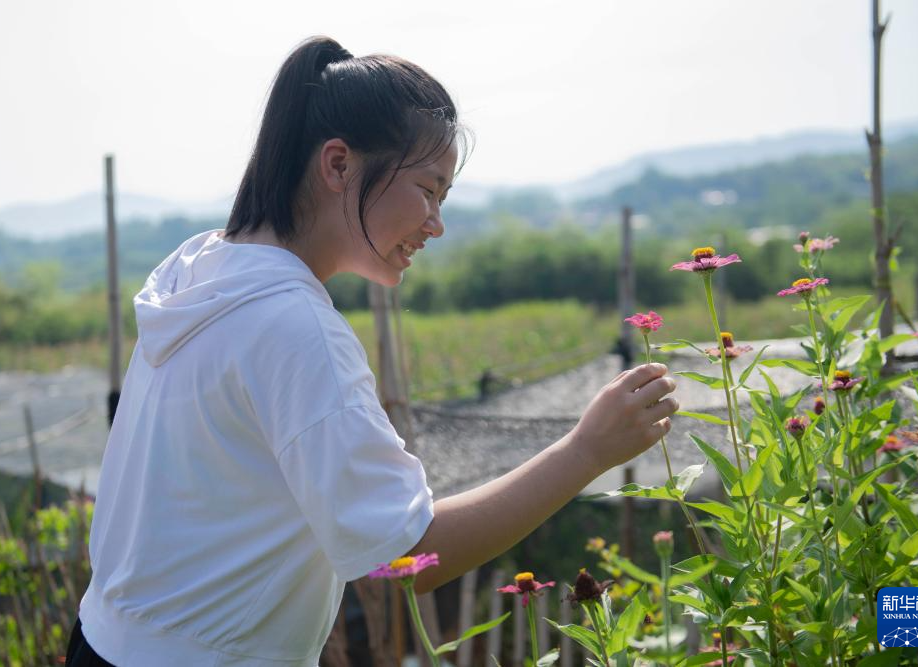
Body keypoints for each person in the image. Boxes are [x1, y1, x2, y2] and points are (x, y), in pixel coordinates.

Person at [69, 35, 678, 666]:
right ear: (338, 166)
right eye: (428, 190)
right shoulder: (294, 326)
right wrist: (585, 451)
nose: (436, 223)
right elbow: (404, 559)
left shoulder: (200, 273)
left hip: (100, 641)